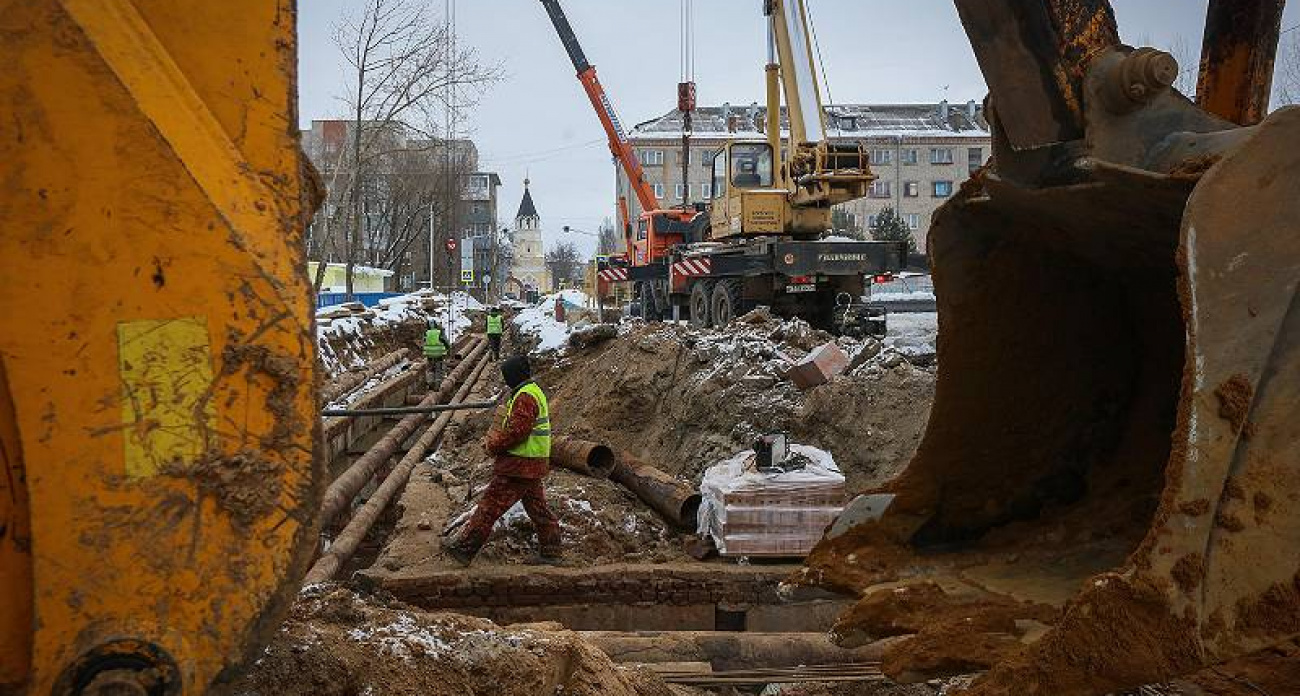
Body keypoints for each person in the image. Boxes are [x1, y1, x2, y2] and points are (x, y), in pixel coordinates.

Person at [444, 355, 561, 566]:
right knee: (538, 509)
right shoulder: (532, 392)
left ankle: (465, 548)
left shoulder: (525, 397)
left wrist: (494, 445)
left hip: (519, 464)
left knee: (490, 506)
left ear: (513, 376)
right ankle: (551, 551)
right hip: (532, 463)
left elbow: (517, 432)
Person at [423, 319, 449, 388]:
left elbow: (424, 342)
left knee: (431, 368)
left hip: (429, 354)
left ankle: (430, 383)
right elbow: (445, 341)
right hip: (438, 353)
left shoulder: (426, 332)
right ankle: (437, 385)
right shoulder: (439, 332)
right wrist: (448, 348)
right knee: (438, 368)